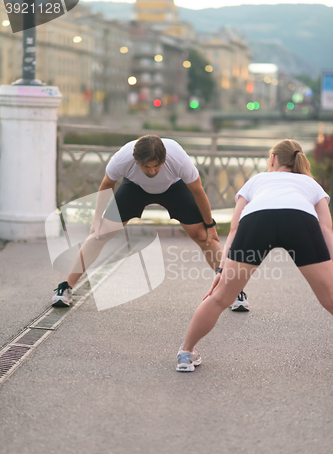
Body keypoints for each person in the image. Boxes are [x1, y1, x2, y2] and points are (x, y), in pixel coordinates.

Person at [176, 138, 333, 372]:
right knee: (329, 296)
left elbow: (235, 228)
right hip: (299, 220)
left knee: (220, 297)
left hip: (258, 220)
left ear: (272, 159)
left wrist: (221, 270)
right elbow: (325, 229)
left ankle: (186, 354)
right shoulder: (310, 184)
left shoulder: (256, 180)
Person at [52, 135, 249, 311]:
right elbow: (107, 185)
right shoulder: (122, 158)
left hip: (174, 188)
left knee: (204, 237)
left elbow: (198, 191)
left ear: (164, 160)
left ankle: (232, 291)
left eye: (156, 166)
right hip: (135, 188)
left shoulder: (178, 159)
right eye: (146, 167)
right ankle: (66, 287)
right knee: (99, 234)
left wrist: (210, 225)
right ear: (136, 161)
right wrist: (96, 220)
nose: (152, 171)